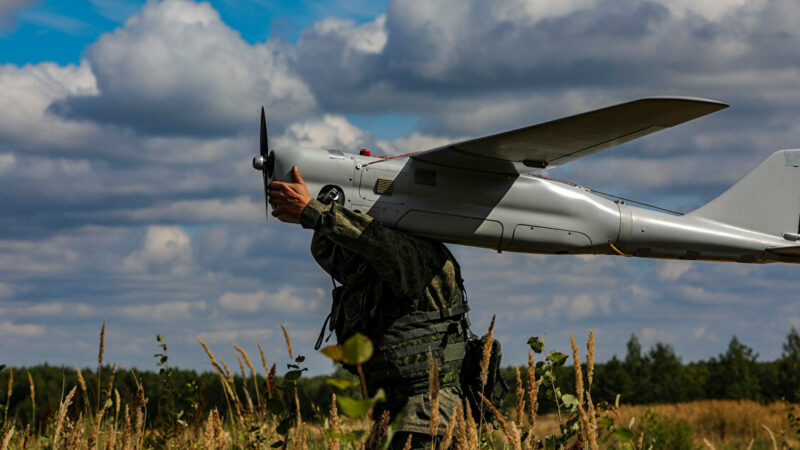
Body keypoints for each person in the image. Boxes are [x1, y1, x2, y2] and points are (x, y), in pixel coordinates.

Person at [269, 166, 472, 448]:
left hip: (428, 420)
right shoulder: (383, 274)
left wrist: (314, 212)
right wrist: (313, 213)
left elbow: (378, 244)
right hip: (397, 419)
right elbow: (341, 255)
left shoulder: (420, 258)